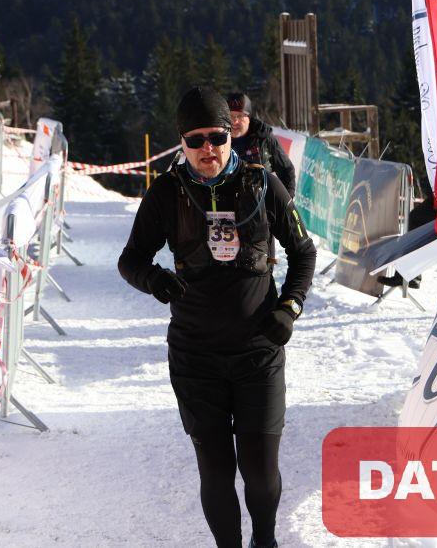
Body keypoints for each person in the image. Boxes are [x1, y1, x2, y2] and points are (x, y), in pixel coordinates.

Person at [118, 87, 317, 548]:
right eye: (196, 140)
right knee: (216, 472)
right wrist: (154, 279)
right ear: (182, 143)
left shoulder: (262, 183)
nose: (208, 148)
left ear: (231, 135)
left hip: (258, 353)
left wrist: (289, 308)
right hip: (196, 358)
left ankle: (264, 542)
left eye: (217, 137)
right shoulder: (167, 192)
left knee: (260, 471)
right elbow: (130, 260)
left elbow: (303, 252)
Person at [226, 92, 297, 196]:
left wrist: (287, 200)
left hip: (261, 200)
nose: (234, 121)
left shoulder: (264, 137)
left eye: (240, 116)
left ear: (249, 118)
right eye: (231, 116)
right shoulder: (218, 139)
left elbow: (286, 170)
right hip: (229, 201)